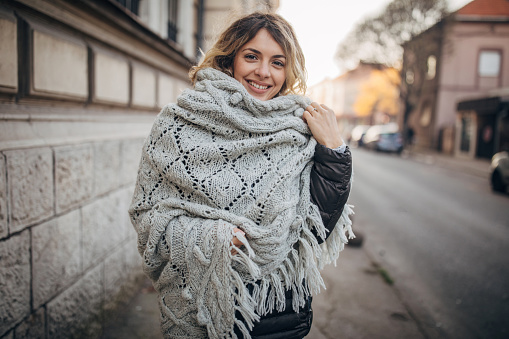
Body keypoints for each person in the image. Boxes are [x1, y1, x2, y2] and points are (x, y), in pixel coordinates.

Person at [129, 12, 353, 339]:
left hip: (278, 315)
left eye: (278, 62)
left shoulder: (301, 130)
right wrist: (216, 238)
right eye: (252, 56)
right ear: (230, 58)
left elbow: (317, 227)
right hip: (199, 311)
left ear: (288, 71)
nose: (263, 72)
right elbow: (148, 217)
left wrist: (334, 151)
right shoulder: (178, 124)